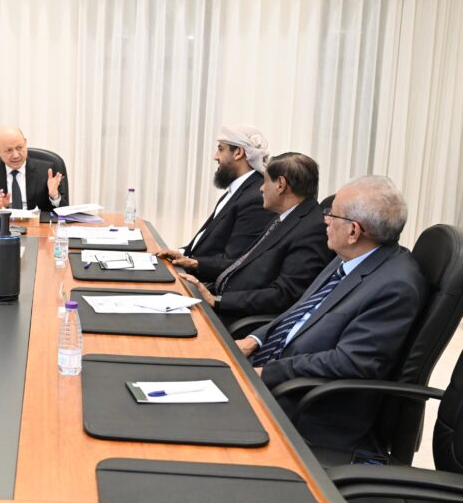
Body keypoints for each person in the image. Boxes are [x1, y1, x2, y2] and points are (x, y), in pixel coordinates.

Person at [235, 176, 428, 450]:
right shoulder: (350, 256)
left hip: (304, 405)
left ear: (353, 231)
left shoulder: (396, 286)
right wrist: (255, 340)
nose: (324, 220)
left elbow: (349, 362)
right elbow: (300, 312)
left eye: (331, 213)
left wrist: (266, 372)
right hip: (278, 370)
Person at [179, 153, 333, 327]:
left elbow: (284, 295)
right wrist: (194, 263)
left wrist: (218, 300)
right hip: (224, 299)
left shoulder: (311, 230)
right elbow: (244, 262)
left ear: (281, 185)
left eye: (265, 182)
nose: (261, 188)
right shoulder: (285, 216)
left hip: (238, 317)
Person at [156, 125, 276, 279]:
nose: (215, 156)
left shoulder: (255, 197)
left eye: (220, 149)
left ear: (238, 153)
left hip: (206, 282)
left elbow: (235, 261)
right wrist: (180, 253)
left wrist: (192, 263)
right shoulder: (239, 189)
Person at [0, 126, 68, 212]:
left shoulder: (47, 171)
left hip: (37, 224)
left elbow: (64, 212)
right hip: (5, 224)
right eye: (9, 150)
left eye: (19, 148)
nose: (16, 155)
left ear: (25, 142)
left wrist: (54, 196)